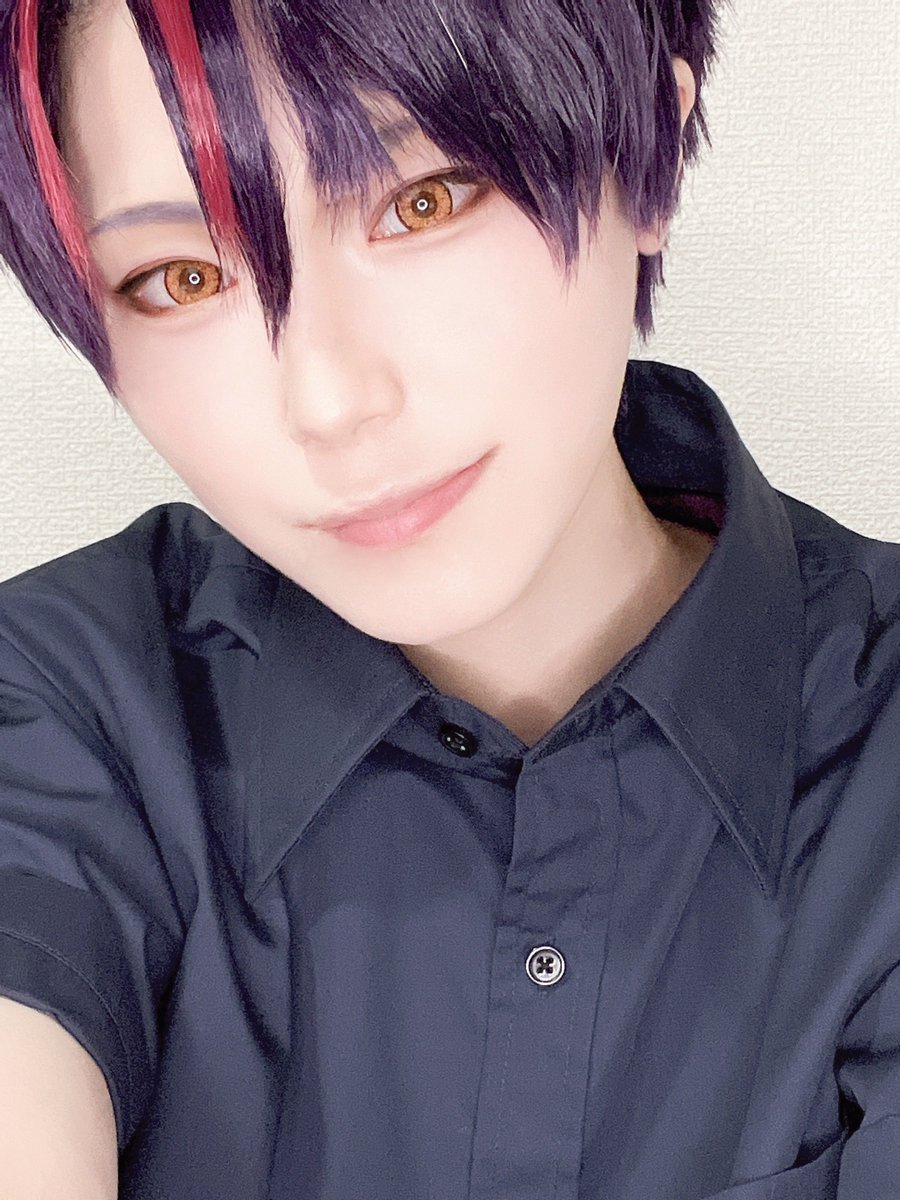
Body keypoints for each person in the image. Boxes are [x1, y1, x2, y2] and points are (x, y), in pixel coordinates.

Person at [0, 0, 897, 1197]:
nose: (330, 401)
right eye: (182, 277)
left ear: (645, 158)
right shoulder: (63, 709)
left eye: (421, 202)